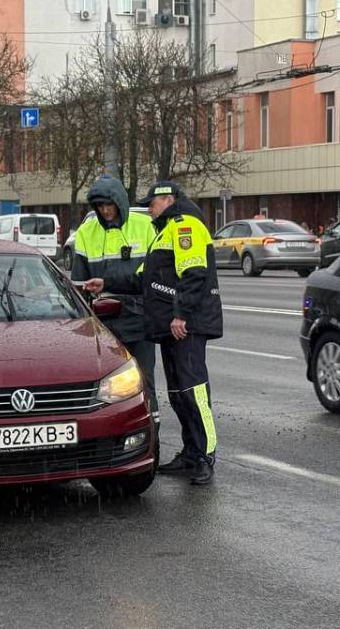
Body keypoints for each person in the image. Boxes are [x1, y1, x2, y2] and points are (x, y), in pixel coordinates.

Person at [84, 181, 223, 485]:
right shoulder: (164, 230)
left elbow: (194, 273)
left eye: (152, 203)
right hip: (170, 327)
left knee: (194, 391)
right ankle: (190, 453)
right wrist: (105, 283)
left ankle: (205, 456)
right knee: (178, 393)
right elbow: (141, 279)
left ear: (169, 199)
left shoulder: (186, 225)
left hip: (188, 325)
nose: (149, 208)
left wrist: (181, 315)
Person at [70, 176, 159, 428]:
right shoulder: (87, 232)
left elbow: (152, 277)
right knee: (105, 385)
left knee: (144, 381)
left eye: (109, 205)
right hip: (102, 325)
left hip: (140, 320)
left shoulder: (144, 226)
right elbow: (78, 282)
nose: (105, 211)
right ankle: (110, 434)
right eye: (99, 206)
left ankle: (150, 433)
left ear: (120, 202)